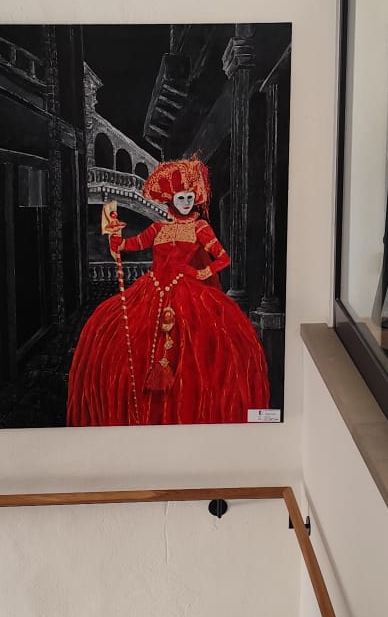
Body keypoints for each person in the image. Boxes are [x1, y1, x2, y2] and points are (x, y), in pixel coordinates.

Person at [66, 157, 270, 426]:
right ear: (170, 199)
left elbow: (222, 258)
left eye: (189, 197)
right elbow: (133, 244)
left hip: (188, 293)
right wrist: (117, 243)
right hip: (151, 291)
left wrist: (202, 273)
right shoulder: (158, 228)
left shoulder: (200, 227)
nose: (185, 202)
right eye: (180, 197)